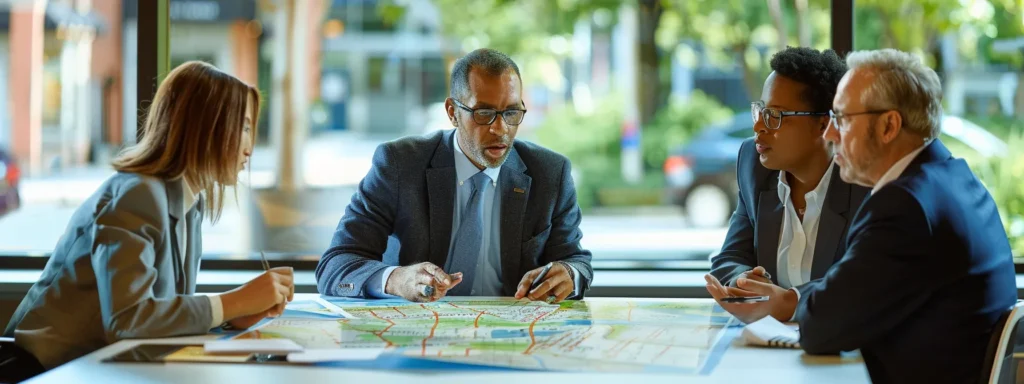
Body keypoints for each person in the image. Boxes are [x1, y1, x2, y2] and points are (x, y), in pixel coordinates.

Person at [723, 48, 1017, 383]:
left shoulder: (905, 206)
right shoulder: (952, 178)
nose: (830, 135)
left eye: (842, 119)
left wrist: (787, 300)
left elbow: (821, 327)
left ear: (889, 126)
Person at [3, 61, 296, 374]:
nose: (250, 147)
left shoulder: (188, 202)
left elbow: (157, 316)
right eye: (245, 127)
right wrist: (232, 302)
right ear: (205, 126)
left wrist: (230, 317)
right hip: (42, 371)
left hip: (92, 368)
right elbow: (128, 320)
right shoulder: (138, 194)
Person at [316, 48, 593, 303]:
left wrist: (569, 274)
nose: (500, 129)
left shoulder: (550, 173)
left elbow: (576, 262)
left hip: (512, 334)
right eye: (484, 113)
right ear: (452, 112)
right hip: (418, 332)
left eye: (511, 112)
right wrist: (397, 280)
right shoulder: (400, 165)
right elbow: (336, 265)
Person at [704, 47, 871, 323]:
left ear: (823, 124)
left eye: (775, 115)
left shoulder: (864, 184)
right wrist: (745, 282)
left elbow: (863, 283)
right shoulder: (754, 166)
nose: (758, 127)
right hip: (771, 340)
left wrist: (789, 303)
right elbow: (730, 257)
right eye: (760, 111)